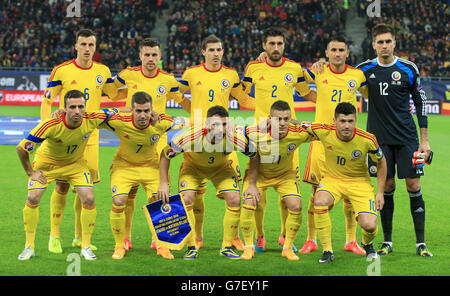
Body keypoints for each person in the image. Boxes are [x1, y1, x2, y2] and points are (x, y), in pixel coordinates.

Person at [40, 29, 124, 253]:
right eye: (83, 44)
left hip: (90, 136)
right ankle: (54, 236)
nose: (87, 48)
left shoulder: (102, 70)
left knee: (84, 188)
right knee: (62, 184)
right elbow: (47, 100)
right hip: (64, 135)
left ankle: (79, 237)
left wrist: (139, 86)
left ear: (95, 48)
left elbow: (114, 95)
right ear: (76, 46)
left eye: (91, 45)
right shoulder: (61, 70)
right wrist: (46, 126)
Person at [356, 23, 432, 257]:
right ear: (374, 45)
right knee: (386, 186)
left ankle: (421, 243)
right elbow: (339, 76)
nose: (384, 45)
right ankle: (387, 241)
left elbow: (420, 103)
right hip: (379, 141)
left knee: (413, 185)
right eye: (380, 42)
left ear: (394, 43)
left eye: (388, 41)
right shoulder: (363, 70)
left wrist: (424, 141)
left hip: (408, 138)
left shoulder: (409, 68)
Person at [17, 90, 118, 261]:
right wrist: (30, 172)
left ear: (85, 107)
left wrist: (145, 112)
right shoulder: (51, 124)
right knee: (33, 198)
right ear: (64, 108)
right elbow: (22, 148)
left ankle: (85, 246)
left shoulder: (91, 118)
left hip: (75, 165)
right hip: (47, 165)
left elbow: (117, 112)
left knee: (89, 198)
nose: (77, 111)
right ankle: (29, 246)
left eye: (81, 106)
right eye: (72, 107)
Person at [178, 34, 255, 251]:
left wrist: (266, 105)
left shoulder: (230, 74)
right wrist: (192, 113)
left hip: (225, 140)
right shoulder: (191, 73)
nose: (215, 53)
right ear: (203, 52)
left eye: (219, 49)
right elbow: (177, 93)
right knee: (194, 193)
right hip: (197, 143)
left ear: (223, 51)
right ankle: (198, 236)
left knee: (234, 195)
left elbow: (243, 98)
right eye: (211, 50)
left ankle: (234, 237)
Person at [243, 26, 316, 252]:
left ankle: (285, 236)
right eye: (271, 44)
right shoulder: (253, 67)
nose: (276, 48)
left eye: (280, 44)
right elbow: (241, 94)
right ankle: (260, 236)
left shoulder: (294, 68)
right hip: (261, 139)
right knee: (258, 194)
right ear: (264, 46)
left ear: (284, 45)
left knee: (287, 194)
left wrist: (330, 101)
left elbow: (306, 93)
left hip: (287, 136)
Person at [113, 37, 190, 251]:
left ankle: (158, 237)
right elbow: (110, 90)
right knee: (129, 192)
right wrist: (122, 110)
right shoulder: (128, 74)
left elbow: (182, 100)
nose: (150, 59)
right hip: (132, 139)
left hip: (157, 143)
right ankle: (126, 238)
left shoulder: (167, 79)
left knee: (158, 193)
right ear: (140, 56)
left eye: (154, 55)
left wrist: (203, 116)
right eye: (146, 54)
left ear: (160, 57)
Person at [157, 105, 255, 260]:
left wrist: (253, 184)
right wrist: (163, 183)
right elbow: (165, 155)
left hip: (221, 168)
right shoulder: (190, 136)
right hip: (193, 168)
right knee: (187, 198)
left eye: (224, 124)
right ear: (207, 124)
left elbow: (254, 155)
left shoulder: (234, 137)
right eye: (216, 124)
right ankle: (191, 247)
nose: (221, 129)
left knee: (235, 199)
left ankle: (227, 246)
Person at [299, 36, 368, 255]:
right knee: (315, 192)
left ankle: (351, 240)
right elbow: (294, 79)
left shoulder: (357, 75)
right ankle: (311, 240)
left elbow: (372, 96)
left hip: (348, 142)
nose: (337, 53)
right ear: (327, 53)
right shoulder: (318, 71)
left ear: (347, 53)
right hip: (321, 141)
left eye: (341, 50)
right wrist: (316, 97)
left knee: (349, 193)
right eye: (333, 50)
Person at [103, 91, 184, 260]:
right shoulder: (119, 121)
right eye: (138, 111)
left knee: (160, 199)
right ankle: (120, 245)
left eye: (146, 111)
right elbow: (89, 117)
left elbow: (187, 122)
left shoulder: (162, 122)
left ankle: (161, 244)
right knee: (119, 201)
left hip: (150, 167)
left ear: (152, 110)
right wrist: (62, 113)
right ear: (130, 110)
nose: (143, 115)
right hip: (124, 167)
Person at [309, 102, 386, 263]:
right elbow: (298, 126)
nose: (346, 125)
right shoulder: (324, 131)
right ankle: (327, 250)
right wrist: (273, 122)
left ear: (356, 121)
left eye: (350, 121)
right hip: (332, 180)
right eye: (342, 121)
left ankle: (367, 243)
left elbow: (381, 162)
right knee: (319, 201)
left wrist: (380, 192)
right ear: (334, 121)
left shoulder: (367, 139)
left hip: (359, 183)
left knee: (370, 225)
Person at [240, 100, 315, 261]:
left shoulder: (298, 133)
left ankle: (287, 247)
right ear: (269, 118)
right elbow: (240, 139)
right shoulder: (255, 133)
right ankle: (250, 244)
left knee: (296, 205)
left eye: (286, 119)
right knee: (249, 200)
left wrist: (297, 122)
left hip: (285, 176)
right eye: (277, 119)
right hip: (260, 175)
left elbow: (321, 130)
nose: (282, 123)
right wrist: (252, 184)